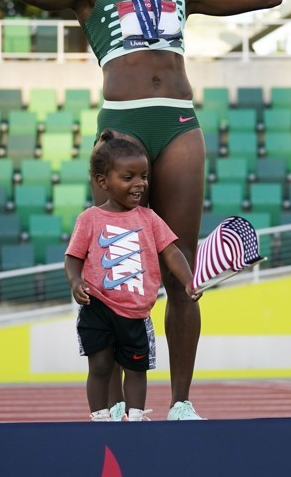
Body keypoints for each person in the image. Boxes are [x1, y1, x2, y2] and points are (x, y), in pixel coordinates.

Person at [17, 0, 281, 420]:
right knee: (115, 274)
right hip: (122, 131)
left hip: (179, 124)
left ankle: (181, 402)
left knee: (182, 271)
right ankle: (114, 406)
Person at [64, 131, 200, 422]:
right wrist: (76, 282)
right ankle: (100, 418)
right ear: (104, 182)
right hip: (98, 307)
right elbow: (73, 257)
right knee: (99, 366)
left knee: (137, 370)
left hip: (136, 313)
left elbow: (173, 252)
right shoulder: (89, 219)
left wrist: (189, 280)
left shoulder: (149, 219)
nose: (140, 185)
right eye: (129, 177)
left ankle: (135, 419)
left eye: (144, 177)